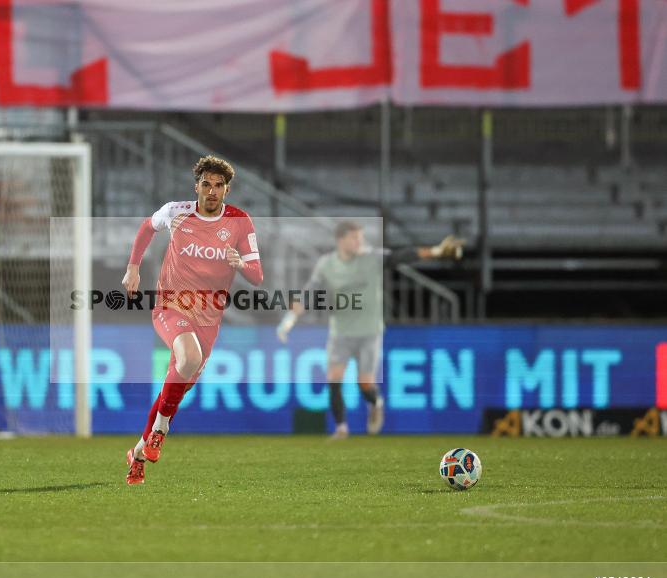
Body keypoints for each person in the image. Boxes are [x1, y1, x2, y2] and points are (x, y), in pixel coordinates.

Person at [121, 155, 263, 485]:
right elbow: (146, 227)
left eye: (218, 186)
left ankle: (139, 453)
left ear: (226, 190)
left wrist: (239, 262)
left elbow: (257, 275)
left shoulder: (241, 222)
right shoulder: (177, 212)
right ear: (196, 185)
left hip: (209, 317)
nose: (211, 191)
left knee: (175, 386)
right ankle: (161, 430)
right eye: (206, 184)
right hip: (171, 306)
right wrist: (133, 268)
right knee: (189, 358)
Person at [276, 221, 463, 438]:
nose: (359, 242)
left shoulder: (371, 258)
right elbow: (309, 292)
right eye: (354, 238)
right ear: (340, 240)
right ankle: (341, 428)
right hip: (341, 332)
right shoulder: (326, 264)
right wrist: (288, 321)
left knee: (365, 383)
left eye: (360, 237)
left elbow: (402, 256)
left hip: (369, 332)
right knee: (334, 378)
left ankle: (376, 404)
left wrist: (436, 251)